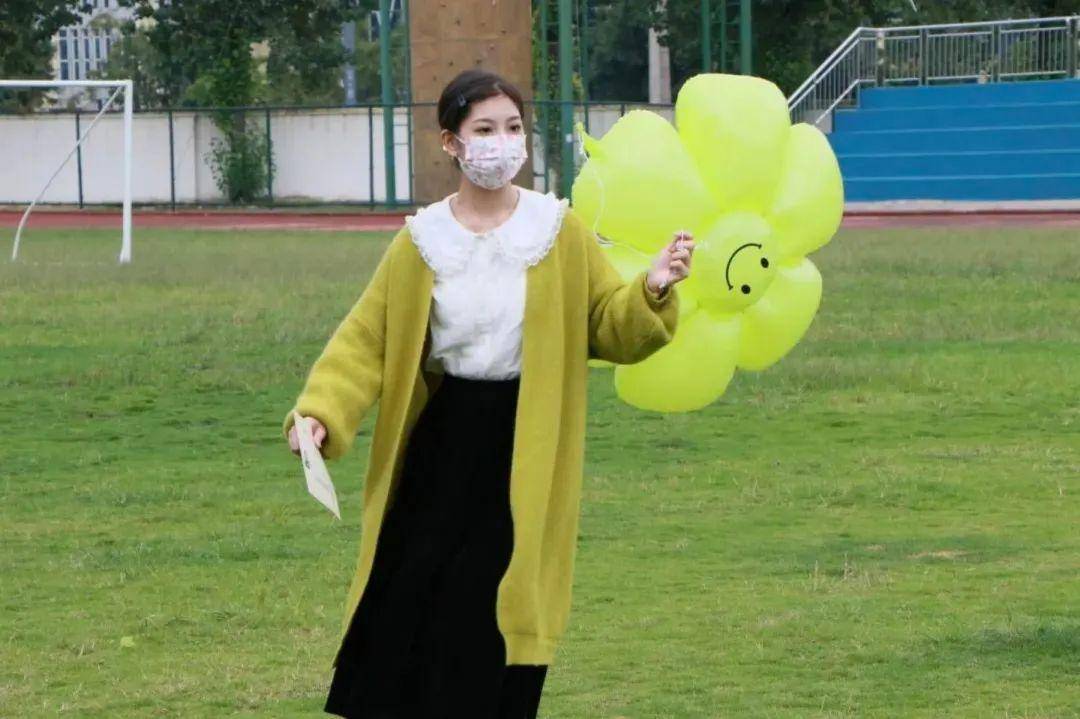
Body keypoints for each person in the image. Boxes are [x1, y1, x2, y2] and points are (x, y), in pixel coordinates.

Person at [283, 68, 695, 719]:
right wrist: (320, 414)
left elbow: (609, 325)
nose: (502, 142)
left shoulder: (557, 231)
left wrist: (652, 287)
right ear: (451, 142)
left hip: (524, 441)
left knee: (493, 596)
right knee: (408, 584)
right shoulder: (421, 241)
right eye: (484, 129)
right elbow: (366, 340)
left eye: (512, 127)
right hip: (441, 439)